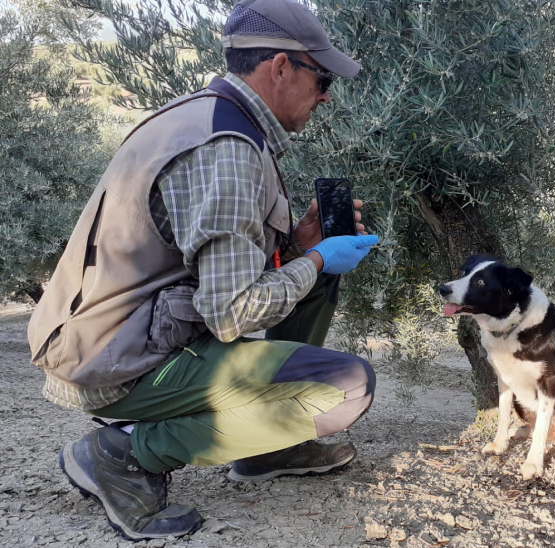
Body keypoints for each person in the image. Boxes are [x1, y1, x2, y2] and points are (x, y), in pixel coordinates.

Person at [27, 0, 377, 540]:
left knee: (316, 275)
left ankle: (270, 448)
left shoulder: (207, 117)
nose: (326, 94)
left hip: (115, 338)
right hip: (114, 362)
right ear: (281, 67)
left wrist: (301, 248)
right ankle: (123, 454)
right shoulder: (226, 149)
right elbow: (231, 311)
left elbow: (212, 269)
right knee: (348, 387)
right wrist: (314, 259)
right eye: (322, 76)